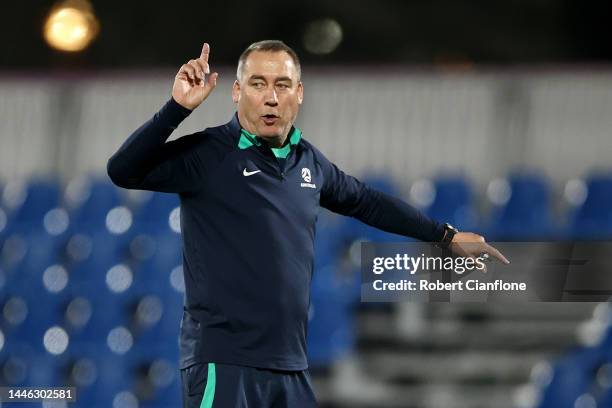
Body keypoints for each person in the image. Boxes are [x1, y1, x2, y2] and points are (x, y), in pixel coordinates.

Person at [107, 40, 509, 408]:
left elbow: (366, 202)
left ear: (298, 94)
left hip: (290, 367)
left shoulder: (309, 162)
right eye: (258, 84)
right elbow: (123, 170)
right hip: (222, 363)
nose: (270, 97)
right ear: (236, 91)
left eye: (282, 85)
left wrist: (445, 236)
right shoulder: (208, 155)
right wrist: (177, 108)